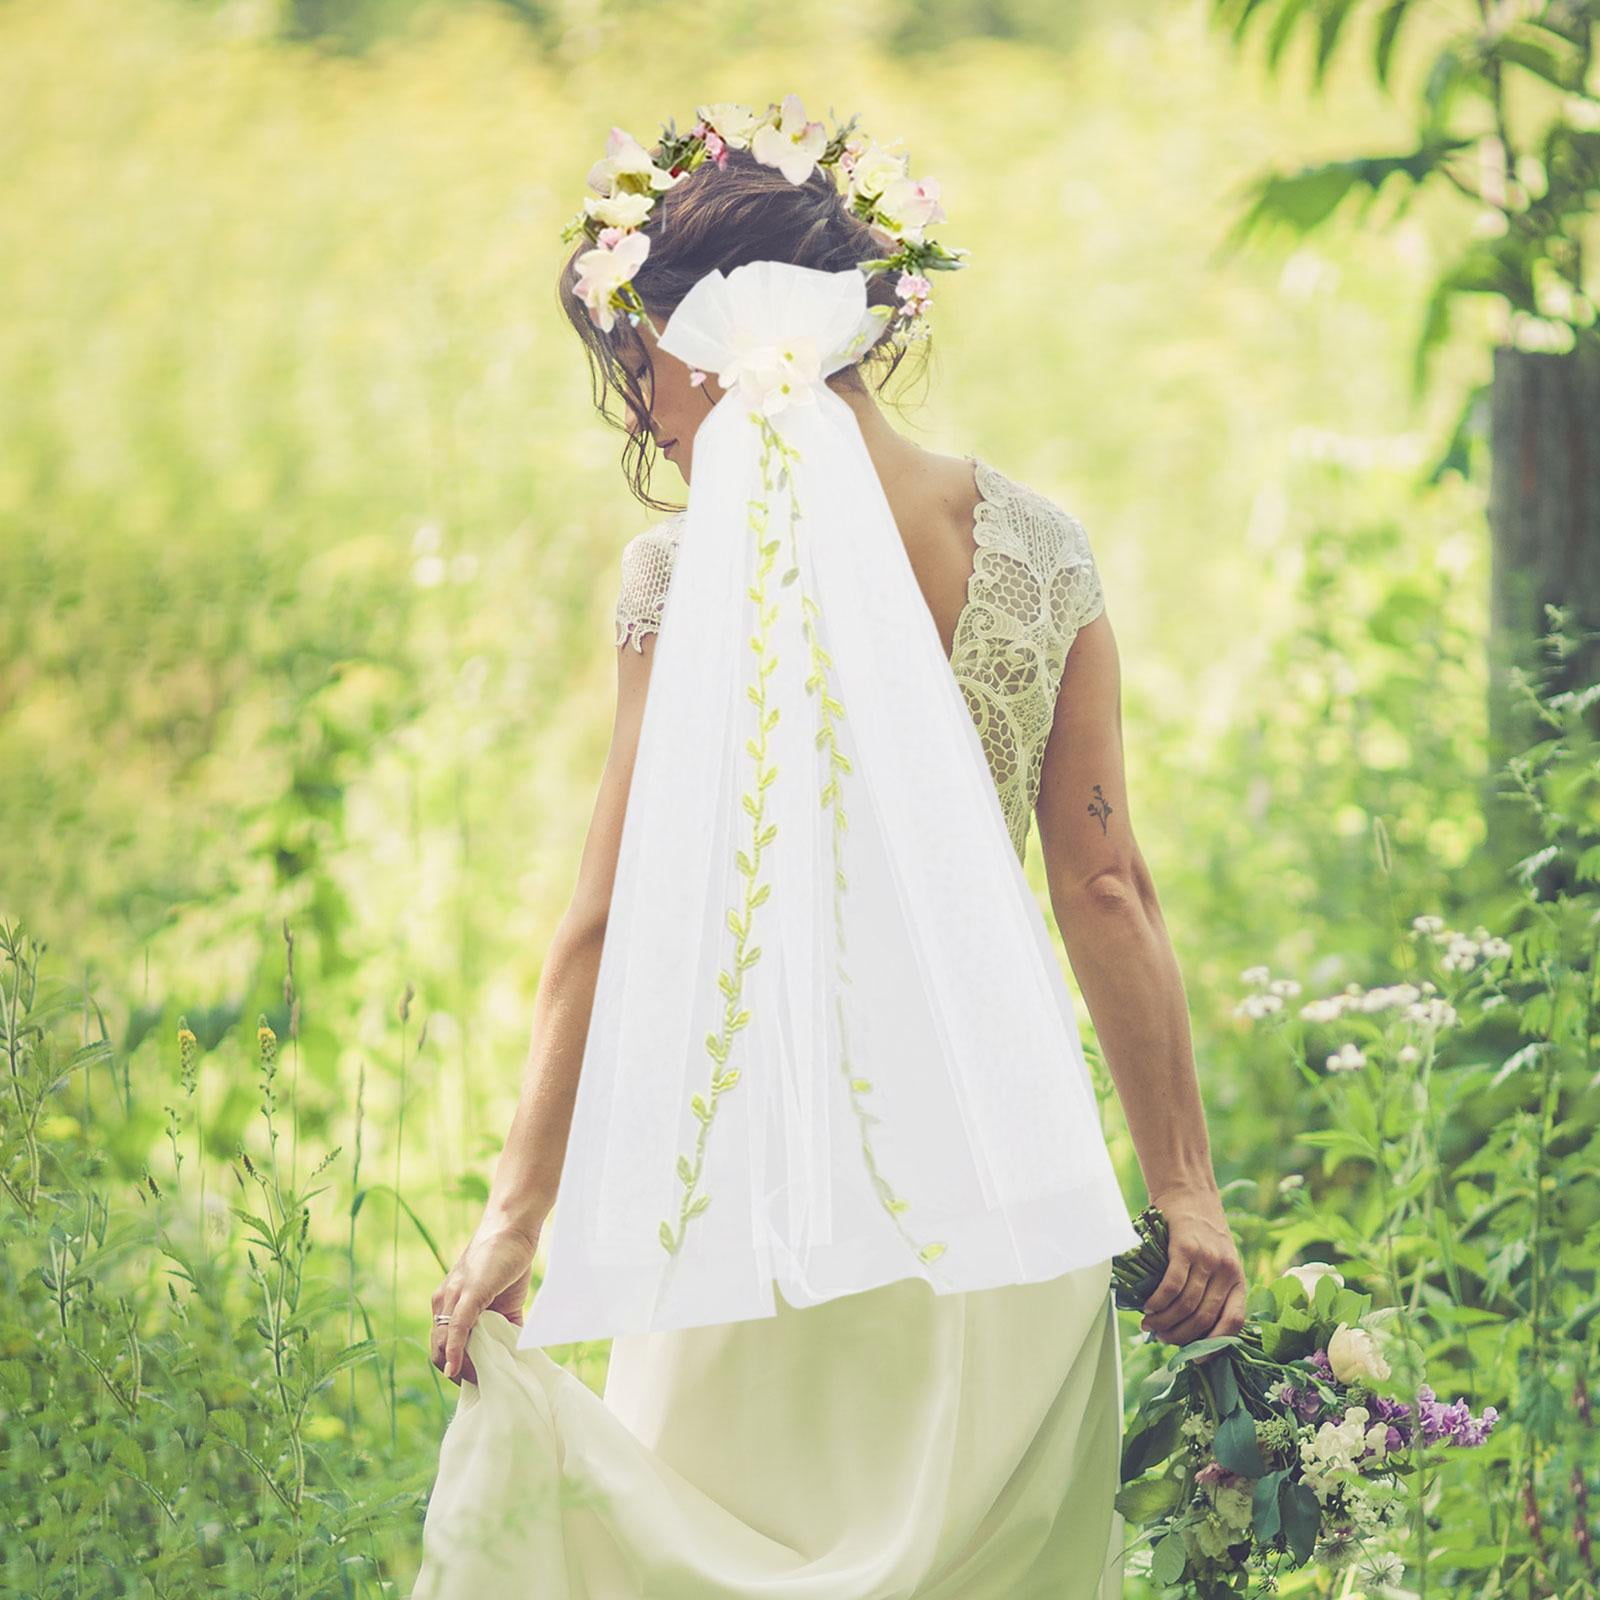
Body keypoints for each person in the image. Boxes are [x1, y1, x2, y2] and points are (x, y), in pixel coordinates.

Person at [414, 111, 1245, 1600]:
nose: (642, 413)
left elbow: (601, 926)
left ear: (711, 344)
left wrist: (513, 1219)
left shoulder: (680, 576)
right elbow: (1104, 887)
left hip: (753, 1207)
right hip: (1003, 1191)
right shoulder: (1039, 550)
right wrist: (1182, 1186)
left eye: (637, 364)